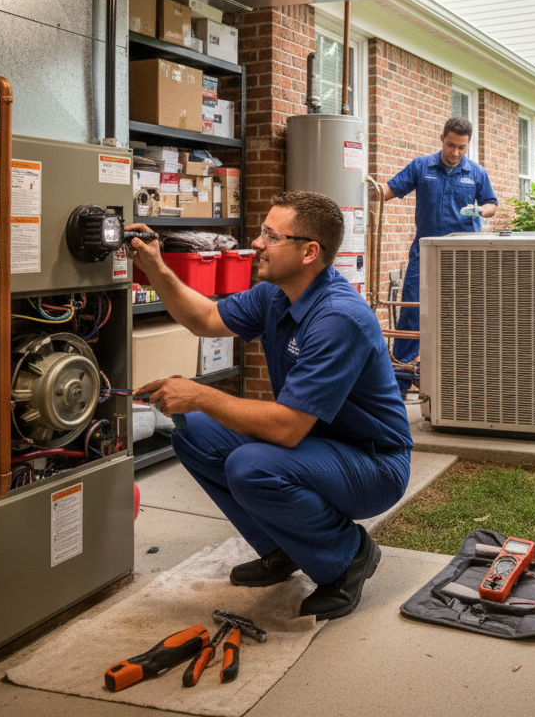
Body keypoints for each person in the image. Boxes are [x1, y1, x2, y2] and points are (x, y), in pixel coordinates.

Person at [126, 190, 414, 619]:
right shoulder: (277, 295)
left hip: (373, 464)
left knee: (251, 465)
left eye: (271, 236)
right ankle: (285, 547)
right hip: (317, 444)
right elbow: (204, 318)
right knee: (195, 431)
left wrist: (200, 392)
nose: (256, 243)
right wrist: (154, 264)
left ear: (308, 252)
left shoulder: (338, 318)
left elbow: (286, 429)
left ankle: (348, 555)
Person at [380, 117, 498, 396]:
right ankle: (401, 383)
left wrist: (482, 211)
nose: (455, 152)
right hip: (424, 254)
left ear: (468, 145)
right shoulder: (422, 166)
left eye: (461, 147)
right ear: (441, 139)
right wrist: (361, 189)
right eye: (450, 145)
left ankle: (458, 379)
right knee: (412, 312)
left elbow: (491, 203)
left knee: (463, 316)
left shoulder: (477, 173)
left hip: (465, 258)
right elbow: (388, 190)